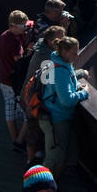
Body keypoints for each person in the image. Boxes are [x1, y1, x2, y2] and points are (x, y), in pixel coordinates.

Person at [41, 36, 89, 192]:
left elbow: (57, 87)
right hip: (58, 118)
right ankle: (45, 190)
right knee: (55, 159)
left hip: (51, 113)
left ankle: (51, 189)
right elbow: (67, 100)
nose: (77, 55)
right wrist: (84, 93)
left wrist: (75, 86)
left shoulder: (55, 62)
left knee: (62, 156)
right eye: (74, 53)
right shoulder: (61, 70)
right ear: (64, 51)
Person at [20, 24, 65, 165]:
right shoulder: (46, 57)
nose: (63, 41)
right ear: (51, 41)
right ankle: (30, 162)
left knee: (37, 131)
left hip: (33, 97)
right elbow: (49, 82)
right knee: (33, 131)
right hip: (34, 100)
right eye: (61, 39)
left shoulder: (43, 48)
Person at [0, 10, 29, 152]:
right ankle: (18, 140)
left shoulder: (4, 35)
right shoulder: (14, 41)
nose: (24, 28)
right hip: (13, 82)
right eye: (22, 26)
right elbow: (19, 60)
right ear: (12, 25)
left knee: (10, 109)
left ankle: (15, 139)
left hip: (5, 79)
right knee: (25, 112)